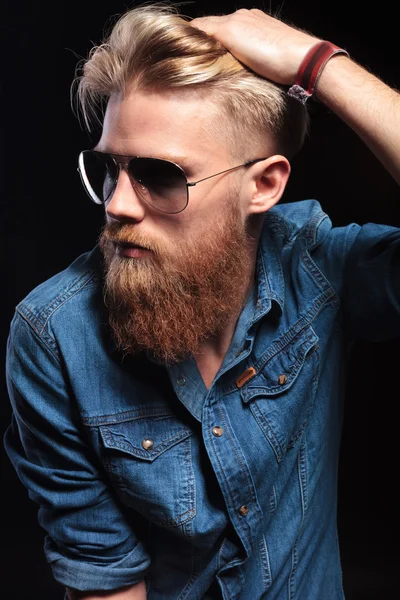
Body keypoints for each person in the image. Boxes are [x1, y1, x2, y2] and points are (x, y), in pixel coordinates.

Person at [3, 2, 399, 599]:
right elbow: (106, 583)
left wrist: (319, 66)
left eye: (160, 176)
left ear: (263, 184)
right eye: (112, 169)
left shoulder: (318, 269)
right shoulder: (53, 338)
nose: (117, 205)